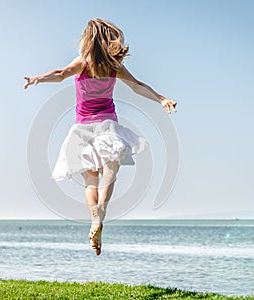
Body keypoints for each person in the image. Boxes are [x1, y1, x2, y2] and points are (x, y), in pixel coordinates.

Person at [24, 18, 177, 256]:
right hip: (107, 126)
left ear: (89, 40)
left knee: (90, 181)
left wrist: (39, 78)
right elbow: (138, 86)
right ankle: (101, 217)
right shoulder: (114, 67)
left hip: (82, 128)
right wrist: (161, 98)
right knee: (111, 173)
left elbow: (61, 74)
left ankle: (94, 220)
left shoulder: (82, 63)